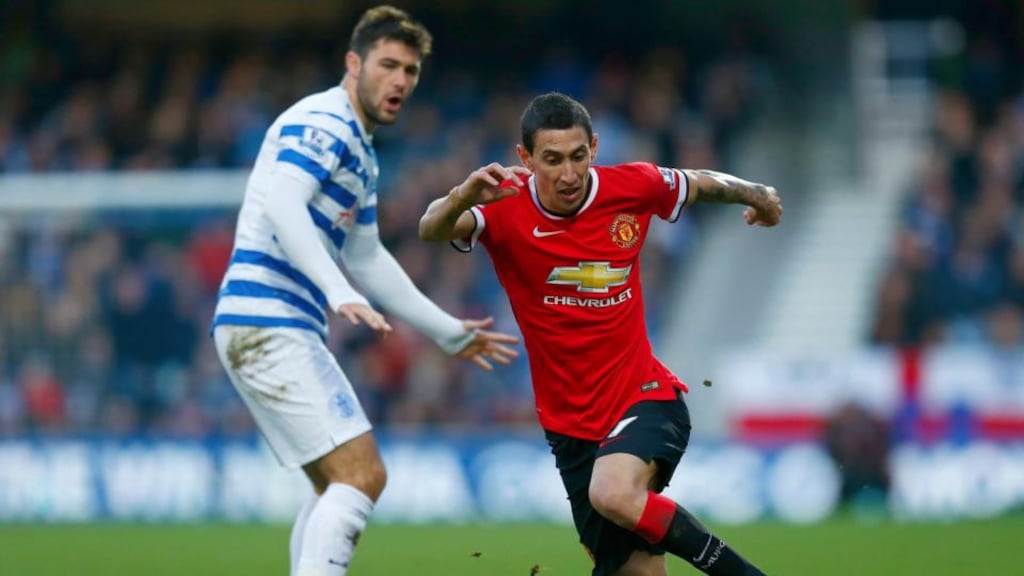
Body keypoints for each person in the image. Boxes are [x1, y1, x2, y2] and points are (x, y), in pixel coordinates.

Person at [211, 6, 519, 576]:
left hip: (266, 321)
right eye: (388, 65)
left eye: (411, 70)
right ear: (353, 63)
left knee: (334, 481)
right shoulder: (325, 122)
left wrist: (444, 330)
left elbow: (366, 255)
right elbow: (282, 203)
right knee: (363, 474)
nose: (400, 80)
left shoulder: (361, 149)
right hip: (267, 318)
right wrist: (334, 290)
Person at [419, 92, 782, 576]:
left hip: (645, 396)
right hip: (570, 431)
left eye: (577, 156)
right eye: (552, 160)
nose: (568, 174)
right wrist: (462, 195)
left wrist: (756, 193)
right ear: (526, 158)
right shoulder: (501, 206)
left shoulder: (632, 185)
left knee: (612, 492)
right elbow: (430, 228)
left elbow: (698, 183)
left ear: (593, 146)